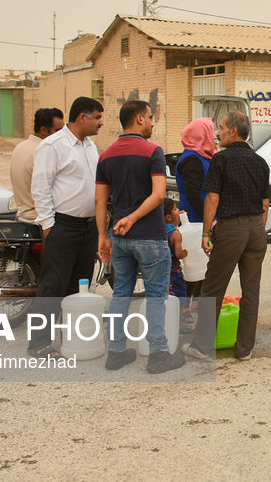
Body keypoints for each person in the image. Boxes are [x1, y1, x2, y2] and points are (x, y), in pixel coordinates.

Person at [96, 100, 184, 374]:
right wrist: (133, 218)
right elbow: (159, 194)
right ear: (138, 119)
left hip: (119, 239)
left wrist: (103, 236)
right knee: (157, 295)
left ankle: (116, 351)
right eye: (149, 117)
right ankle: (158, 354)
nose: (152, 122)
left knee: (121, 292)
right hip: (149, 236)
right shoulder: (152, 152)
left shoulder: (106, 155)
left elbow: (99, 202)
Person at [181, 111, 269, 362]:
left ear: (233, 131)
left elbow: (212, 198)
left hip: (231, 228)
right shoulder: (260, 161)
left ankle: (201, 346)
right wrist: (256, 229)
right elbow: (265, 203)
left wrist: (207, 232)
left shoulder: (221, 160)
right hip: (255, 228)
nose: (217, 134)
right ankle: (244, 349)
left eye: (220, 128)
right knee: (251, 289)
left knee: (212, 287)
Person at [26, 96, 104, 359]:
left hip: (88, 226)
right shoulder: (53, 146)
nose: (101, 123)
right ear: (82, 117)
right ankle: (39, 342)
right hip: (63, 226)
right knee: (53, 285)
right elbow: (40, 188)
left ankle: (71, 340)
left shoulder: (90, 146)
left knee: (79, 286)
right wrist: (49, 227)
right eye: (97, 117)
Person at [9, 107, 64, 224]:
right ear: (44, 130)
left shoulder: (21, 147)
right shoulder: (44, 151)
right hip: (40, 219)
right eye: (58, 131)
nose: (62, 136)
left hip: (23, 216)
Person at [175, 117, 217, 223]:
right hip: (196, 218)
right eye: (211, 132)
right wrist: (208, 219)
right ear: (202, 135)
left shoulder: (201, 156)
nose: (214, 136)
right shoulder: (192, 159)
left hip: (202, 217)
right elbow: (192, 192)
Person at [163, 198, 191, 332]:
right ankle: (181, 325)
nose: (178, 211)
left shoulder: (159, 230)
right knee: (180, 296)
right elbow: (179, 253)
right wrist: (186, 252)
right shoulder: (175, 234)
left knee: (166, 298)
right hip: (175, 272)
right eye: (175, 209)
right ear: (168, 217)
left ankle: (166, 323)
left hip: (162, 271)